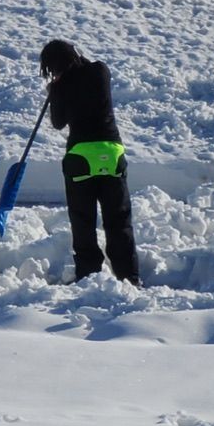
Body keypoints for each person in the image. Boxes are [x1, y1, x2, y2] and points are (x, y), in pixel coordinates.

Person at [40, 39, 140, 285]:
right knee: (118, 219)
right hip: (111, 152)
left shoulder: (60, 87)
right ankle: (129, 276)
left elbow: (59, 123)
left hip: (80, 158)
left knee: (82, 220)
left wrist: (54, 93)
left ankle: (88, 274)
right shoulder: (100, 71)